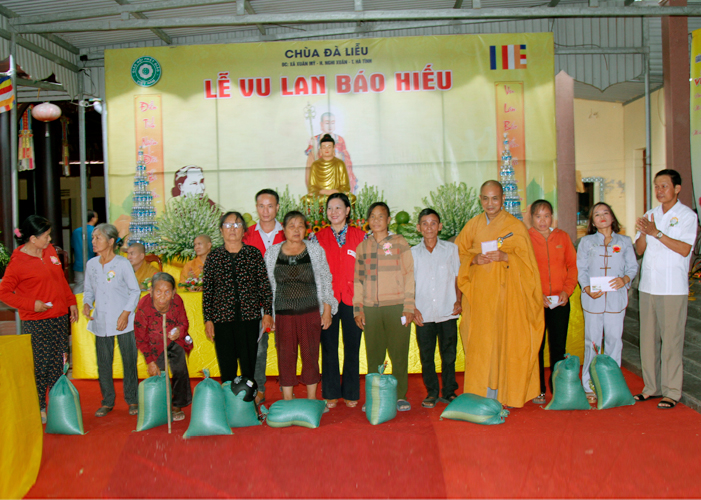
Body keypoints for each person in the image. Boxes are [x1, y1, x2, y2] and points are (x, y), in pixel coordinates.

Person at [455, 180, 543, 408]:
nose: (490, 203)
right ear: (480, 199)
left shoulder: (515, 227)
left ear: (503, 199)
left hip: (507, 299)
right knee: (480, 345)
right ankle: (480, 393)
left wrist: (507, 257)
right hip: (479, 298)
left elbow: (529, 266)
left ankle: (506, 393)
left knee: (506, 343)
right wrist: (473, 259)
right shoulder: (473, 225)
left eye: (495, 198)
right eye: (485, 198)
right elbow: (458, 253)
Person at [0, 216, 78, 424]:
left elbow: (60, 279)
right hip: (36, 322)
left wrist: (70, 302)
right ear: (33, 239)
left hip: (59, 318)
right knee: (40, 366)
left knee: (59, 363)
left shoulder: (49, 251)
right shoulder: (17, 263)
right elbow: (4, 293)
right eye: (46, 236)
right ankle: (39, 406)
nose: (49, 239)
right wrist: (31, 304)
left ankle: (57, 405)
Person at [635, 169, 698, 409]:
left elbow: (684, 249)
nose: (659, 191)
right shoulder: (650, 214)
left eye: (664, 186)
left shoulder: (687, 216)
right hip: (648, 286)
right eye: (657, 186)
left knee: (671, 341)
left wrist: (657, 233)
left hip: (672, 287)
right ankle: (652, 387)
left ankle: (672, 391)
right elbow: (640, 249)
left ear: (677, 189)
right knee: (648, 340)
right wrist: (644, 232)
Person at [265, 211, 337, 402]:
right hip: (283, 315)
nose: (296, 230)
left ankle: (312, 398)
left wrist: (327, 310)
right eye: (292, 226)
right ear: (283, 229)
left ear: (306, 229)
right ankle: (288, 399)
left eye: (300, 226)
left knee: (310, 355)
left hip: (310, 313)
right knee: (285, 356)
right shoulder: (272, 253)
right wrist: (269, 314)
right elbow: (267, 286)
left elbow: (326, 280)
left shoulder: (315, 250)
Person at [354, 202, 415, 411]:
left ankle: (400, 396)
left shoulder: (400, 243)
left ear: (389, 220)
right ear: (367, 221)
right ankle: (375, 397)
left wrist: (409, 306)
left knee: (399, 355)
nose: (377, 220)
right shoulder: (363, 247)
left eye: (381, 216)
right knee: (374, 356)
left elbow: (409, 275)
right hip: (371, 308)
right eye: (373, 216)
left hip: (397, 307)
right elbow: (358, 280)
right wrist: (358, 309)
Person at [309, 193, 366, 408]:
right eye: (330, 208)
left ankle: (351, 392)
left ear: (348, 210)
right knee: (328, 347)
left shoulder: (361, 237)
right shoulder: (317, 238)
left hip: (354, 300)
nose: (333, 212)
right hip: (327, 300)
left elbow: (368, 271)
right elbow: (314, 272)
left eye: (338, 208)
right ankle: (331, 392)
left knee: (352, 347)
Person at [203, 212, 274, 384]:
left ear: (244, 231)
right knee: (227, 366)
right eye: (227, 225)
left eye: (237, 225)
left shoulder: (253, 254)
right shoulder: (213, 257)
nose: (232, 229)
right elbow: (208, 291)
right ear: (221, 230)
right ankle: (229, 396)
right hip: (222, 319)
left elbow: (264, 286)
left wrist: (267, 313)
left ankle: (249, 398)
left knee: (249, 365)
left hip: (249, 318)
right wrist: (208, 319)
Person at [577, 202, 638, 402]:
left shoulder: (625, 241)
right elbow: (581, 269)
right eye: (597, 214)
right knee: (592, 342)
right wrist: (586, 288)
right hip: (592, 299)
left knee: (614, 341)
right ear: (592, 222)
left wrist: (625, 280)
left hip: (616, 299)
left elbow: (632, 267)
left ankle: (612, 385)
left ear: (612, 217)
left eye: (606, 213)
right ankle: (589, 386)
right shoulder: (586, 242)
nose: (602, 217)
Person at [83, 223, 142, 417]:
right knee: (103, 363)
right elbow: (89, 290)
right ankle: (107, 401)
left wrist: (125, 314)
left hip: (124, 321)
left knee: (129, 361)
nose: (93, 241)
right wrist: (87, 303)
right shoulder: (91, 265)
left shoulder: (122, 263)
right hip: (101, 320)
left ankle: (132, 399)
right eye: (93, 238)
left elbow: (135, 291)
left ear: (110, 241)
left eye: (97, 238)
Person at [528, 200, 578, 404]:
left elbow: (572, 266)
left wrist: (567, 291)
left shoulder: (562, 237)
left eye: (547, 216)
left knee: (558, 347)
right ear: (531, 218)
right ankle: (538, 389)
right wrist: (535, 294)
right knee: (537, 347)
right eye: (538, 216)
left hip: (560, 302)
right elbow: (524, 272)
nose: (543, 220)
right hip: (536, 303)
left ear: (552, 217)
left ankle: (558, 389)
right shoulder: (526, 239)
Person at [411, 208, 461, 408]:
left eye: (433, 223)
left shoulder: (451, 249)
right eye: (425, 223)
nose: (429, 227)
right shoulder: (412, 253)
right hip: (423, 313)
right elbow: (409, 283)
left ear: (439, 226)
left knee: (449, 355)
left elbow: (458, 277)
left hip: (447, 310)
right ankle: (431, 392)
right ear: (418, 227)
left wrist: (458, 300)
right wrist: (413, 308)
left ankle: (449, 391)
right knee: (427, 356)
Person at [243, 188, 286, 404]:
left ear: (277, 207)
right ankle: (258, 388)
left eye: (270, 206)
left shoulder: (288, 232)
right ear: (256, 208)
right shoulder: (246, 235)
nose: (265, 211)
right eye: (261, 206)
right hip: (256, 301)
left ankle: (287, 388)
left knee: (285, 346)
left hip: (285, 298)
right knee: (258, 348)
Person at [135, 272, 194, 421]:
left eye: (167, 292)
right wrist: (150, 361)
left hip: (174, 340)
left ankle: (177, 405)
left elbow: (184, 322)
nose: (162, 297)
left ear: (174, 292)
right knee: (159, 374)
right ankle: (160, 406)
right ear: (151, 291)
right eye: (158, 292)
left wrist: (179, 330)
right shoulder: (143, 306)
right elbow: (140, 338)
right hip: (154, 343)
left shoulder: (177, 301)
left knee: (180, 370)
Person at [304, 111, 357, 192]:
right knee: (309, 197)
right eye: (327, 123)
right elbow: (310, 160)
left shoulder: (340, 140)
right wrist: (315, 148)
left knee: (348, 196)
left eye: (332, 123)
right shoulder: (315, 140)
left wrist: (340, 156)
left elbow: (347, 158)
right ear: (321, 124)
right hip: (320, 190)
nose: (330, 126)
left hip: (337, 189)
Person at [302, 134, 356, 205]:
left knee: (351, 197)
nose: (327, 149)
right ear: (320, 149)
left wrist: (335, 191)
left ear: (333, 149)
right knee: (306, 199)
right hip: (320, 196)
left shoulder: (340, 164)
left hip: (336, 195)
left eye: (329, 147)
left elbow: (345, 186)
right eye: (324, 147)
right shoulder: (315, 165)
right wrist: (322, 191)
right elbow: (312, 187)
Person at [70, 210, 98, 294]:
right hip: (93, 263)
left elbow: (73, 245)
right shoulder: (96, 232)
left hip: (79, 263)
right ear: (93, 219)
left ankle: (77, 302)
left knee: (79, 286)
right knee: (94, 287)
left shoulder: (76, 231)